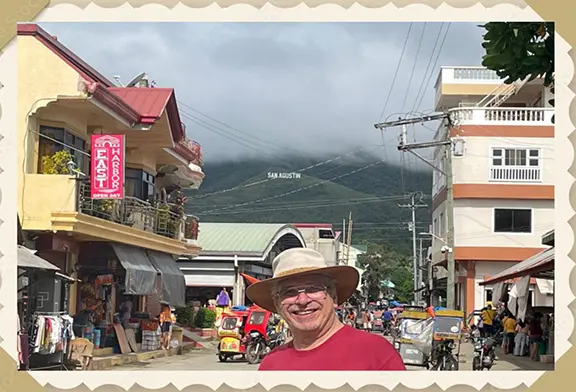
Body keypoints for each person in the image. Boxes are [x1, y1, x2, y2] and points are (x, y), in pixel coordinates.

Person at [246, 248, 406, 371]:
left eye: (313, 288)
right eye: (289, 292)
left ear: (334, 297)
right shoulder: (271, 364)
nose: (302, 300)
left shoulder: (375, 353)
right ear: (277, 304)